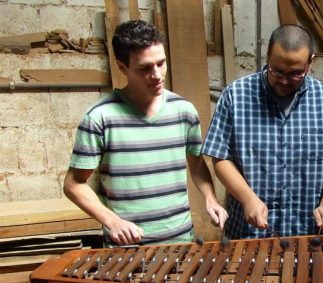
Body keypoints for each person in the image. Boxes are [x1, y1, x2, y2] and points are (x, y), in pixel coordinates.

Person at [63, 20, 227, 246]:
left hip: (181, 241)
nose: (157, 75)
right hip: (126, 249)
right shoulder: (99, 118)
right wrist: (112, 221)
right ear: (122, 67)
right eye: (145, 68)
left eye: (161, 63)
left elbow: (197, 164)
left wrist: (211, 199)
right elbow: (73, 184)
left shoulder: (184, 111)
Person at [202, 24, 323, 239]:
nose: (285, 80)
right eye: (277, 71)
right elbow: (220, 157)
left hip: (308, 233)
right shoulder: (235, 96)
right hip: (249, 234)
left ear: (310, 63)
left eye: (296, 73)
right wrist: (248, 198)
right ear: (268, 56)